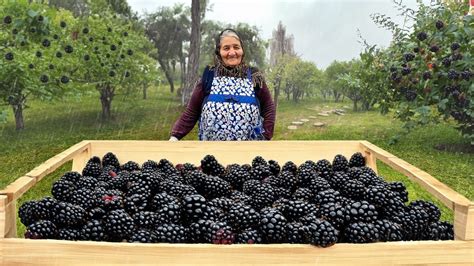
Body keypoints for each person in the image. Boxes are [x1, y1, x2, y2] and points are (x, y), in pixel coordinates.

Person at [169, 29, 276, 141]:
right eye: (226, 48)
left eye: (236, 47)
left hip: (248, 154)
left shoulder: (255, 77)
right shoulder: (209, 76)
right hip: (211, 154)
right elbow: (191, 113)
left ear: (242, 50)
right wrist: (174, 137)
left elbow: (269, 108)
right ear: (218, 52)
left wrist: (265, 137)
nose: (232, 52)